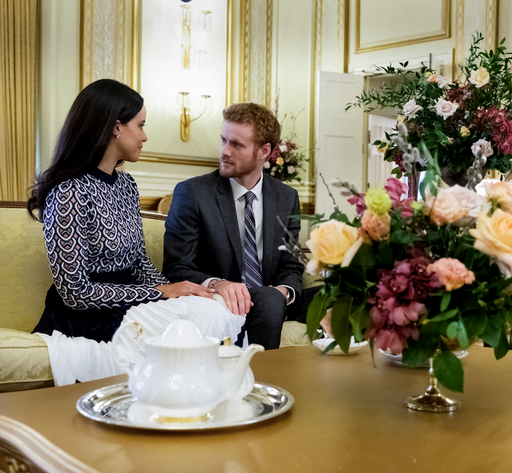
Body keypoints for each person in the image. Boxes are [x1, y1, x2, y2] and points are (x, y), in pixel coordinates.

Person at [27, 79, 244, 385]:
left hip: (133, 303)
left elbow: (139, 263)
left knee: (215, 307)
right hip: (87, 315)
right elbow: (75, 293)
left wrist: (183, 288)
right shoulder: (68, 191)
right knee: (195, 326)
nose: (144, 136)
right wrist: (160, 293)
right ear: (116, 128)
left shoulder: (126, 186)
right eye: (140, 125)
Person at [163, 102, 305, 349]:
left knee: (342, 296)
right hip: (217, 301)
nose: (225, 151)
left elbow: (291, 263)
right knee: (269, 299)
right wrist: (219, 284)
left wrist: (285, 291)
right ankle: (259, 384)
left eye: (236, 144)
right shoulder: (193, 193)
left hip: (269, 297)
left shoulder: (286, 197)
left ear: (264, 151)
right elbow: (176, 267)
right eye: (224, 140)